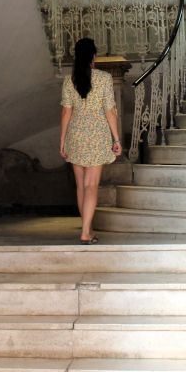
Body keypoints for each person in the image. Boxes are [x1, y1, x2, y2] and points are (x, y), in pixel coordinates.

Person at [60, 37, 122, 244]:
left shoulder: (70, 80)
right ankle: (86, 232)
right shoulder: (104, 78)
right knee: (91, 186)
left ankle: (88, 228)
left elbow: (66, 113)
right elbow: (110, 111)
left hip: (76, 134)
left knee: (81, 186)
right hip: (97, 134)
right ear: (93, 56)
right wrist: (116, 138)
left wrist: (62, 142)